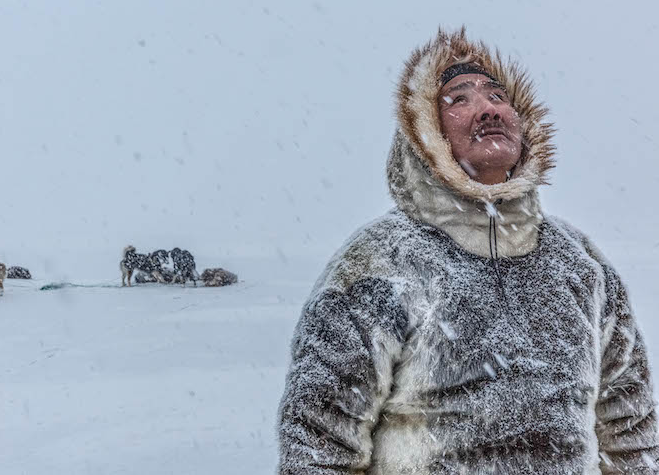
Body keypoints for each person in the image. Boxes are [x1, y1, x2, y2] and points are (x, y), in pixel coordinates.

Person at [277, 28, 659, 474]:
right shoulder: (381, 263)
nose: (488, 108)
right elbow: (318, 441)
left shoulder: (579, 264)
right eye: (458, 99)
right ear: (427, 136)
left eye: (497, 95)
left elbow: (632, 430)